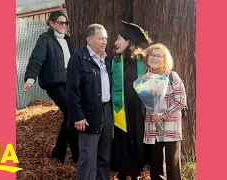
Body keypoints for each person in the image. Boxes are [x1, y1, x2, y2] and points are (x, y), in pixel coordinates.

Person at [23, 10, 78, 163]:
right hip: (53, 83)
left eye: (65, 23)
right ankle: (59, 153)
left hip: (69, 82)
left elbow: (73, 62)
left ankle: (75, 155)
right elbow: (36, 60)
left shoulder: (68, 40)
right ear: (51, 23)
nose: (63, 26)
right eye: (60, 22)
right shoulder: (45, 39)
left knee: (72, 115)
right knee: (71, 112)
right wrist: (30, 79)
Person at [66, 24, 113, 180]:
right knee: (88, 157)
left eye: (105, 38)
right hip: (87, 115)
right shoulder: (78, 58)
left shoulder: (107, 60)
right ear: (89, 39)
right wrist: (78, 116)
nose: (104, 41)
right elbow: (72, 91)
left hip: (106, 112)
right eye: (100, 38)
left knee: (104, 156)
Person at [111, 21, 152, 180]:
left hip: (137, 109)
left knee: (136, 140)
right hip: (121, 108)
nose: (115, 42)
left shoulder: (143, 61)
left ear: (129, 41)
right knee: (122, 140)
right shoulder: (114, 62)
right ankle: (122, 172)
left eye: (119, 38)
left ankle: (135, 173)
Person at [142, 43, 187, 180]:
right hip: (152, 129)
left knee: (173, 170)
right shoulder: (144, 79)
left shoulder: (172, 77)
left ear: (164, 59)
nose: (154, 58)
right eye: (152, 55)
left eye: (158, 55)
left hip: (170, 129)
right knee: (156, 169)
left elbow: (181, 101)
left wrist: (162, 116)